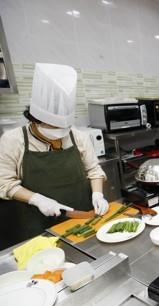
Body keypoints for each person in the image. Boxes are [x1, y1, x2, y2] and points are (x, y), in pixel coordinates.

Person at [0, 63, 109, 249]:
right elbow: (5, 183)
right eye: (56, 127)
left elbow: (94, 170)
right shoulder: (12, 140)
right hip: (38, 227)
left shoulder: (78, 137)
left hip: (81, 220)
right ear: (36, 119)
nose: (62, 132)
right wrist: (38, 199)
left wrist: (98, 195)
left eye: (66, 126)